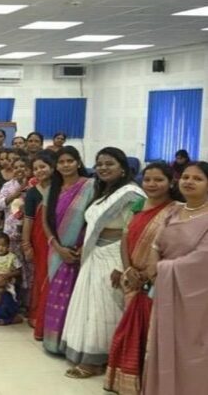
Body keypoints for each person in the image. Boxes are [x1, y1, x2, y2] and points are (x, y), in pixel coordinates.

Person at [61, 147, 144, 378]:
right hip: (94, 253)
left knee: (105, 307)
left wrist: (124, 266)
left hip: (115, 255)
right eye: (99, 164)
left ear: (123, 168)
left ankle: (100, 360)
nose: (103, 168)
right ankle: (88, 354)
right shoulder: (104, 191)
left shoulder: (132, 194)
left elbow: (134, 232)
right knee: (90, 305)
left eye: (109, 164)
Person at [104, 163, 178, 395]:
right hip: (132, 280)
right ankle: (128, 382)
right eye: (147, 179)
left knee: (152, 335)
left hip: (156, 281)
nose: (152, 184)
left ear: (170, 182)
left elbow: (173, 249)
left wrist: (147, 275)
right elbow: (125, 240)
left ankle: (150, 384)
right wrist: (128, 270)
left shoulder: (176, 211)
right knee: (131, 332)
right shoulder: (137, 206)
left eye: (159, 180)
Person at [143, 161, 208, 395]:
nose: (189, 182)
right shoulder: (173, 210)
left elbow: (202, 259)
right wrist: (154, 262)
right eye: (186, 177)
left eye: (198, 179)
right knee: (163, 342)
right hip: (167, 289)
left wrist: (161, 269)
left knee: (192, 350)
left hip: (197, 298)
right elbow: (156, 243)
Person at [40, 146, 95, 355]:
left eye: (70, 161)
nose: (65, 165)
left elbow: (92, 220)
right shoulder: (51, 189)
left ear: (78, 162)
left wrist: (80, 248)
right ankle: (53, 343)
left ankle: (70, 343)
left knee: (76, 298)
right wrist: (56, 246)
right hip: (56, 251)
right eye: (61, 162)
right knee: (57, 295)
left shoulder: (90, 186)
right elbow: (45, 222)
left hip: (79, 252)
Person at [21, 153, 54, 335]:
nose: (39, 171)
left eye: (43, 166)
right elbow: (28, 219)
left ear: (52, 167)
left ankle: (53, 317)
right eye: (35, 169)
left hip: (58, 236)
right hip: (39, 239)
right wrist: (26, 244)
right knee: (41, 275)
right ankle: (38, 315)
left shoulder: (61, 189)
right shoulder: (33, 192)